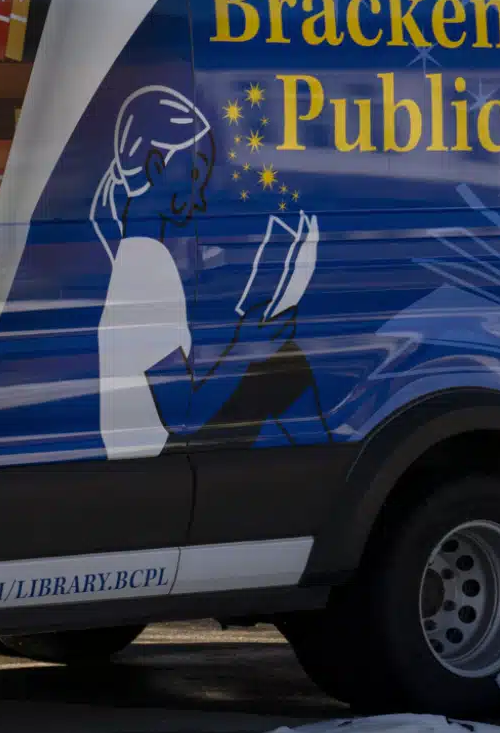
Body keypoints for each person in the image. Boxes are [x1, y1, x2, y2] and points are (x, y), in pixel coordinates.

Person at [91, 85, 327, 457]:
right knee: (282, 364)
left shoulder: (147, 256)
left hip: (165, 448)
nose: (201, 198)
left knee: (281, 361)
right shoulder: (142, 267)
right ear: (156, 167)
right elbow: (182, 412)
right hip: (158, 461)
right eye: (195, 174)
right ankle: (324, 469)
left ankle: (319, 465)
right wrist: (247, 346)